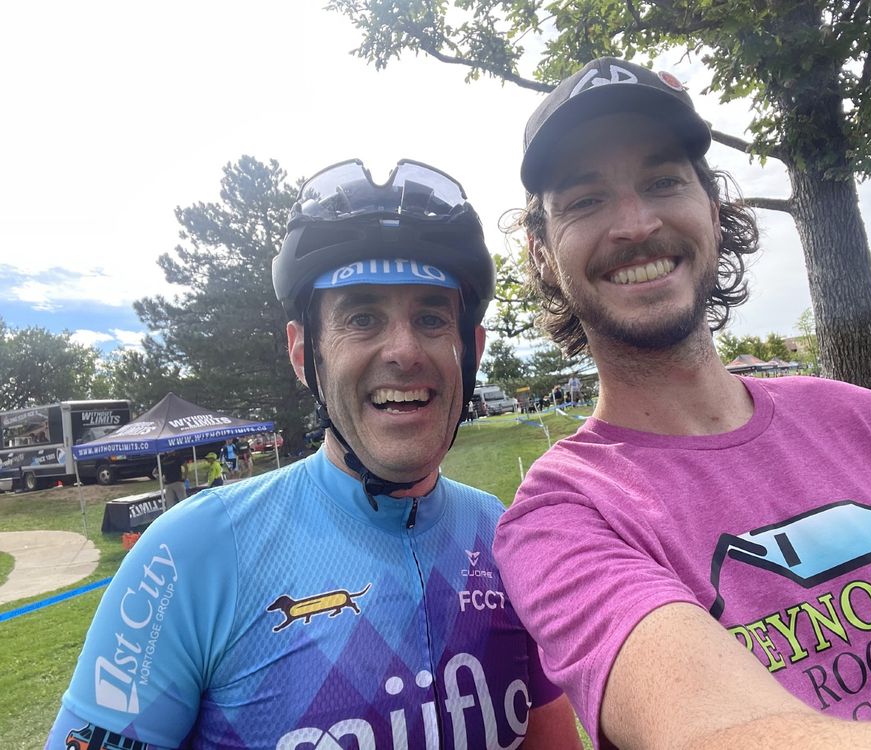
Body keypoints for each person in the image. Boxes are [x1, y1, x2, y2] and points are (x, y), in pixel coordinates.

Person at [493, 56, 871, 749]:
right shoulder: (562, 518)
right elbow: (726, 732)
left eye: (663, 181)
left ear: (712, 206)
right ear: (543, 252)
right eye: (585, 201)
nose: (636, 223)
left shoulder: (863, 419)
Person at [47, 158, 579, 749]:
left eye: (431, 318)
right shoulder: (190, 556)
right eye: (361, 317)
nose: (404, 351)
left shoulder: (504, 538)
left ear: (470, 350)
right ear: (305, 354)